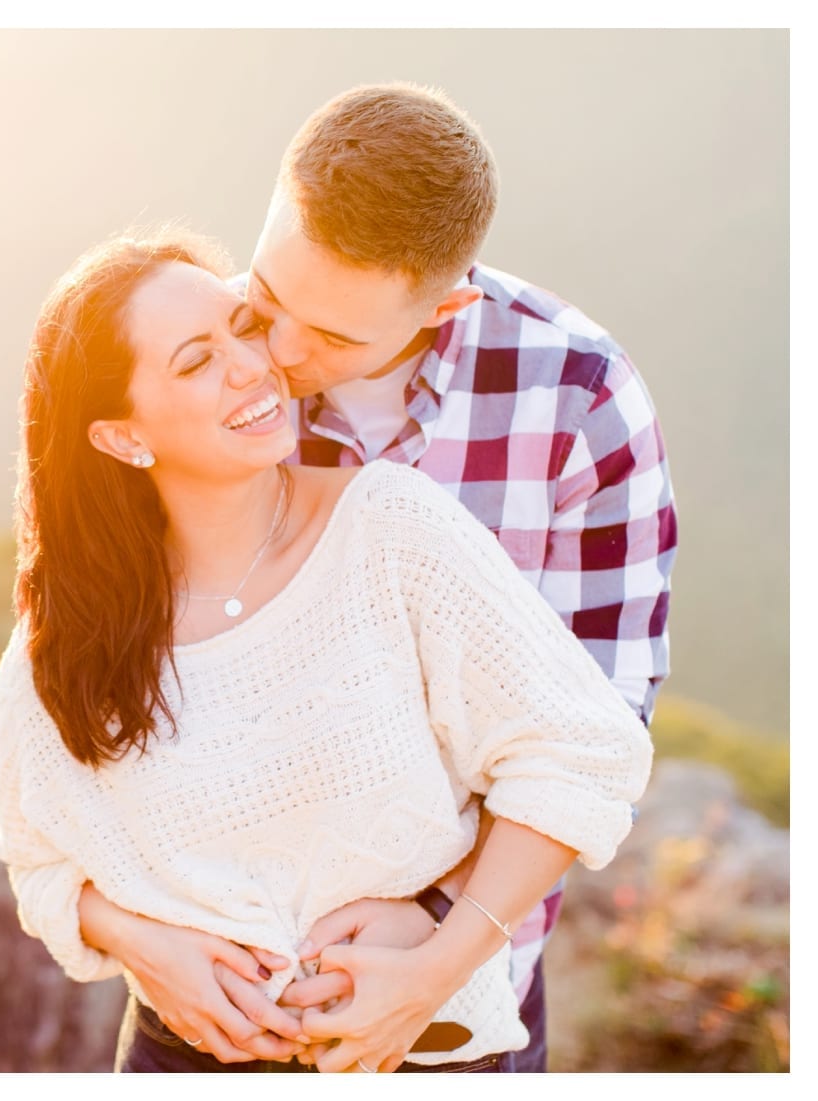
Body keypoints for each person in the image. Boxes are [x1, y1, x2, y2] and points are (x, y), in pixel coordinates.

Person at [0, 229, 652, 1072]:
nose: (252, 366)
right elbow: (40, 861)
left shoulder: (390, 527)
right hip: (181, 1058)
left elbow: (583, 750)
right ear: (122, 437)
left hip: (418, 1051)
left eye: (243, 327)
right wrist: (145, 945)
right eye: (196, 362)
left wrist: (438, 963)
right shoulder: (75, 627)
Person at [236, 83, 679, 1072]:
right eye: (268, 299)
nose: (278, 355)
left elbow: (600, 720)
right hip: (225, 976)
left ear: (447, 307)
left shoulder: (577, 401)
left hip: (460, 995)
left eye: (337, 337)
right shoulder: (193, 361)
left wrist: (438, 945)